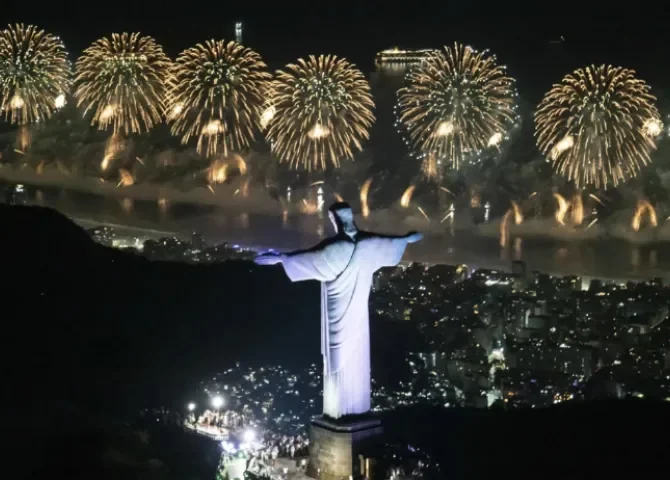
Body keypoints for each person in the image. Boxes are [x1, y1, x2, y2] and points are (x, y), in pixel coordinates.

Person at [255, 202, 422, 419]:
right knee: (352, 354)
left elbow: (309, 259)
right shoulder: (368, 243)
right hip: (358, 312)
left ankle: (341, 412)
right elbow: (389, 244)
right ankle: (352, 409)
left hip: (338, 311)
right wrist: (406, 239)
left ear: (334, 221)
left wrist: (280, 258)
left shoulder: (337, 248)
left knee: (338, 358)